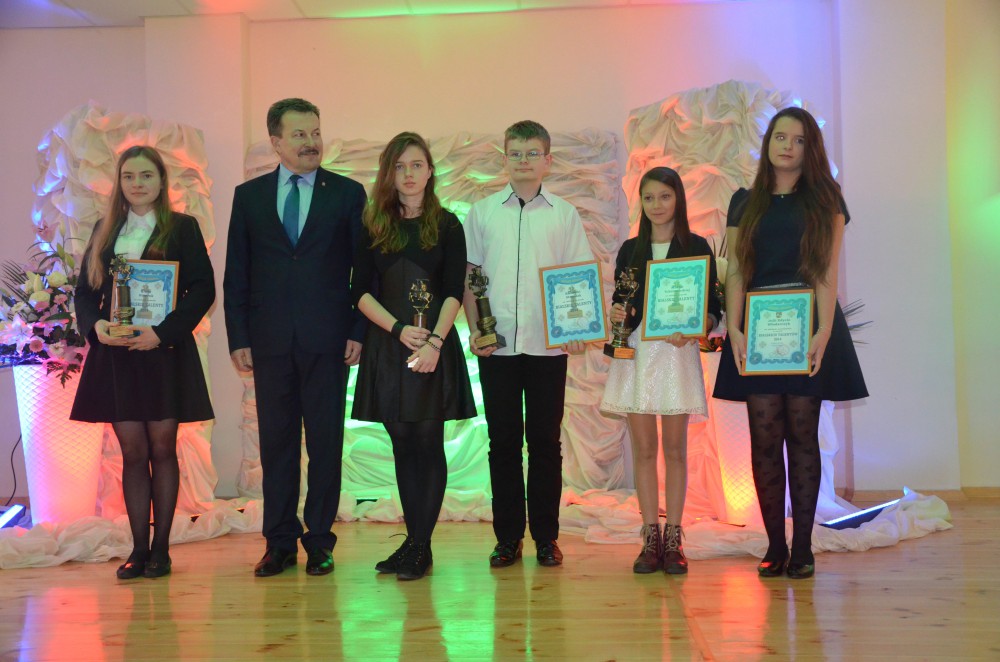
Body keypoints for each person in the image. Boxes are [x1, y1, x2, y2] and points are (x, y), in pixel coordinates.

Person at [713, 107, 868, 579]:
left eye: (799, 140)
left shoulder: (826, 199)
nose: (788, 147)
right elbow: (737, 271)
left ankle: (802, 548)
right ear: (768, 143)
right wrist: (734, 328)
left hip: (808, 327)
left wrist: (823, 331)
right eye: (781, 137)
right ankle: (774, 545)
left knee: (803, 437)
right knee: (764, 440)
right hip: (757, 331)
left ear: (810, 148)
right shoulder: (744, 201)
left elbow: (825, 270)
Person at [223, 98, 367, 577]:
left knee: (325, 445)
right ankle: (279, 542)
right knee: (277, 446)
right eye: (300, 134)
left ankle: (320, 541)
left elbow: (363, 270)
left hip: (329, 341)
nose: (311, 142)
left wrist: (358, 329)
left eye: (316, 132)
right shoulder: (249, 197)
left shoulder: (347, 194)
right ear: (277, 142)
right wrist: (238, 336)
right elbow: (237, 272)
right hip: (269, 342)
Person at [71, 145, 215, 580]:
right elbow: (84, 292)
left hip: (163, 354)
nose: (137, 184)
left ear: (161, 181)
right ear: (120, 182)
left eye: (146, 175)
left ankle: (162, 550)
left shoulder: (183, 227)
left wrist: (162, 333)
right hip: (118, 357)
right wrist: (96, 326)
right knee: (132, 452)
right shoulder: (105, 229)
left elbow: (203, 289)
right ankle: (137, 549)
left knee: (162, 449)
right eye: (129, 176)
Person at [463, 120, 593, 568]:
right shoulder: (482, 212)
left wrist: (575, 332)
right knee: (501, 444)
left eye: (532, 153)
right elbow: (470, 278)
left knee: (545, 445)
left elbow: (577, 277)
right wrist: (474, 331)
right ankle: (507, 538)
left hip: (547, 348)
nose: (523, 160)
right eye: (515, 153)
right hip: (496, 348)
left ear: (547, 160)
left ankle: (546, 537)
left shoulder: (564, 214)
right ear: (505, 159)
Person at [350, 132, 476, 581]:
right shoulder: (373, 223)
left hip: (434, 347)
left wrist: (434, 343)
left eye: (417, 165)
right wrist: (399, 330)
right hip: (389, 346)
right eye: (400, 166)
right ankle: (413, 541)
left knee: (427, 440)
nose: (408, 174)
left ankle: (421, 545)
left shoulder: (448, 225)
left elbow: (453, 290)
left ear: (430, 171)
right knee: (402, 442)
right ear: (389, 172)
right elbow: (359, 291)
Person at [600, 167, 721, 575]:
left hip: (676, 355)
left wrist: (699, 325)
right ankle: (649, 536)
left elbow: (712, 309)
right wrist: (617, 314)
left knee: (675, 450)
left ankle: (674, 538)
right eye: (649, 197)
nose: (657, 205)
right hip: (637, 354)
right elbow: (622, 304)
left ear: (678, 199)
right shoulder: (630, 250)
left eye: (665, 196)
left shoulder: (697, 247)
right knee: (644, 450)